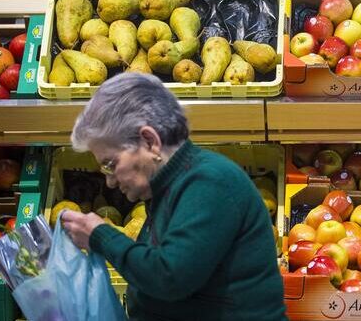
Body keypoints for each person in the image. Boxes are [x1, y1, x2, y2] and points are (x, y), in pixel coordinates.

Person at [61, 73, 287, 321]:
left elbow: (170, 277)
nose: (110, 180)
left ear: (149, 141)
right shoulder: (167, 190)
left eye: (110, 164)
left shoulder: (209, 183)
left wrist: (101, 236)